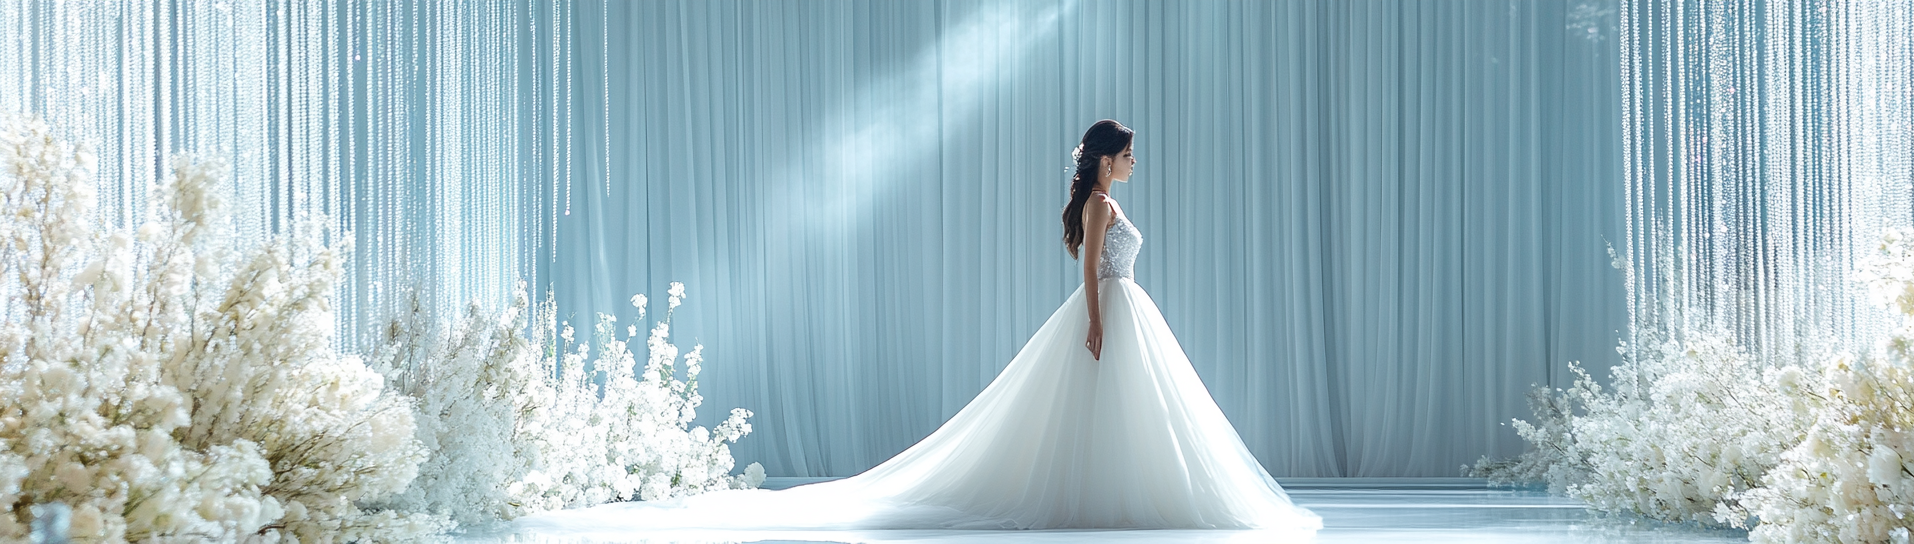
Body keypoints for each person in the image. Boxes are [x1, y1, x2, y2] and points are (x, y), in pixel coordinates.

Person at [511, 120, 1320, 534]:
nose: (1138, 163)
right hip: (1112, 311)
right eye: (1132, 153)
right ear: (1110, 158)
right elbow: (1087, 270)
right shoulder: (1103, 204)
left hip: (1124, 312)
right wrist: (1100, 324)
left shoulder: (1102, 199)